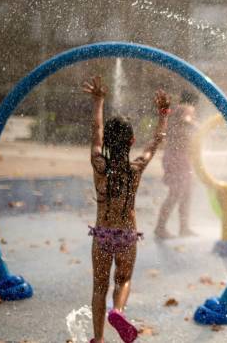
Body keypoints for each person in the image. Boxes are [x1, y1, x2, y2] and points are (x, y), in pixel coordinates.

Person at [83, 75, 170, 343]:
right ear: (132, 141)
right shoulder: (136, 168)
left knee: (99, 287)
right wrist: (163, 113)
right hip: (126, 236)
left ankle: (98, 339)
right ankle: (118, 311)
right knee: (123, 280)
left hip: (102, 236)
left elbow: (96, 130)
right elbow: (156, 141)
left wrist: (99, 101)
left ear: (108, 142)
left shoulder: (98, 164)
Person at [155, 90, 199, 239]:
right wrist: (200, 128)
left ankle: (183, 228)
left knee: (186, 193)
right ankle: (160, 228)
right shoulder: (187, 108)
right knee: (176, 194)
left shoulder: (175, 109)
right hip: (178, 158)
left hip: (177, 157)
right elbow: (186, 120)